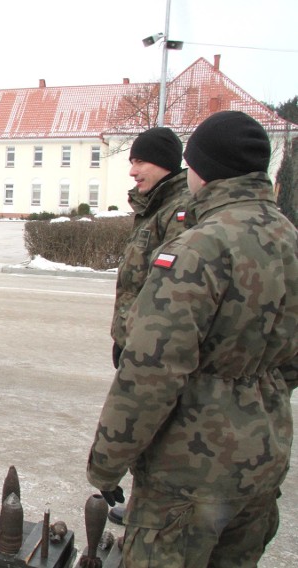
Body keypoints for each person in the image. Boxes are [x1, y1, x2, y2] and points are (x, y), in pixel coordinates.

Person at [87, 110, 298, 567]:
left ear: (203, 168)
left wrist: (106, 462)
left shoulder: (198, 248)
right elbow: (292, 361)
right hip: (265, 453)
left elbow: (152, 373)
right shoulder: (288, 237)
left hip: (189, 471)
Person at [106, 126, 191, 525]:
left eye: (139, 161)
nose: (132, 171)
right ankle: (144, 500)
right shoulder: (155, 208)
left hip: (155, 347)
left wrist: (137, 340)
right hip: (137, 338)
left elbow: (167, 293)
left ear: (162, 163)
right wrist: (123, 336)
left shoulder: (181, 212)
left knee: (158, 427)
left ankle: (154, 508)